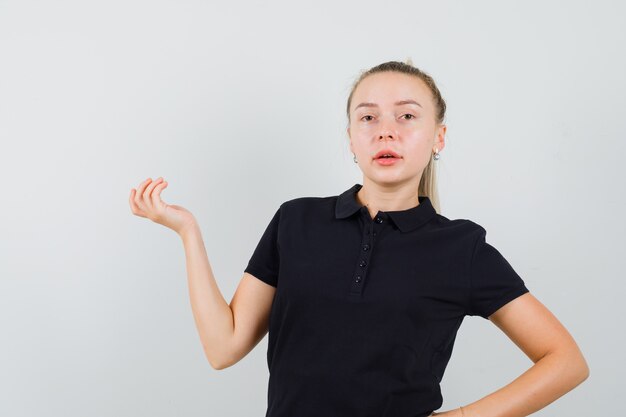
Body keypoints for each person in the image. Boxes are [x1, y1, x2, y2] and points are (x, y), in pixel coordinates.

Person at [129, 60, 590, 417]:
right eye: (368, 117)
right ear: (350, 138)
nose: (386, 129)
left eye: (407, 116)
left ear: (438, 137)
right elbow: (223, 347)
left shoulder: (461, 248)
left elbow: (566, 361)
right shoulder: (296, 221)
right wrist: (187, 232)